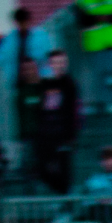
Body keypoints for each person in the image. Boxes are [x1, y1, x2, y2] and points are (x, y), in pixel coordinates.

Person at [33, 49, 83, 193]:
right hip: (45, 134)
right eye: (55, 62)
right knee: (42, 168)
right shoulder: (43, 84)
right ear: (50, 64)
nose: (59, 65)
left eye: (62, 62)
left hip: (63, 133)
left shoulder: (70, 84)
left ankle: (64, 196)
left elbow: (73, 111)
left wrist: (71, 136)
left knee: (64, 170)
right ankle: (57, 193)